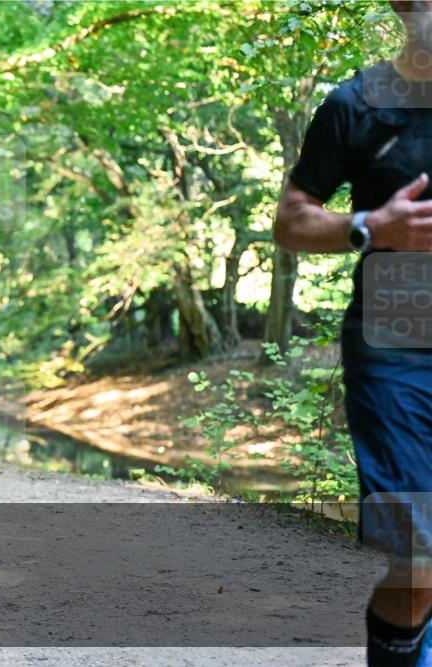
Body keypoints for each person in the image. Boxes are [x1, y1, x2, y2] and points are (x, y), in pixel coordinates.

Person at [273, 3, 432, 664]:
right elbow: (291, 219)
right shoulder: (357, 103)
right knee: (419, 557)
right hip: (396, 349)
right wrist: (370, 226)